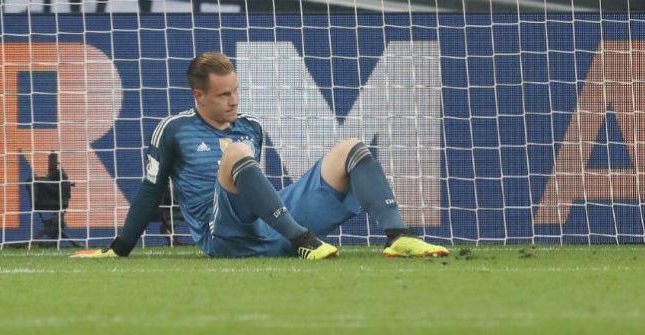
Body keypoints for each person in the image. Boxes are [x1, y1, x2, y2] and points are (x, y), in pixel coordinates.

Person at [71, 52, 448, 260]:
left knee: (351, 149)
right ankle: (303, 241)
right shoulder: (173, 130)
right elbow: (150, 192)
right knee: (236, 154)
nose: (233, 101)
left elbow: (255, 188)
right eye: (222, 95)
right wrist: (119, 249)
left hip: (270, 225)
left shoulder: (250, 126)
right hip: (221, 235)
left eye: (235, 91)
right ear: (198, 95)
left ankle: (397, 236)